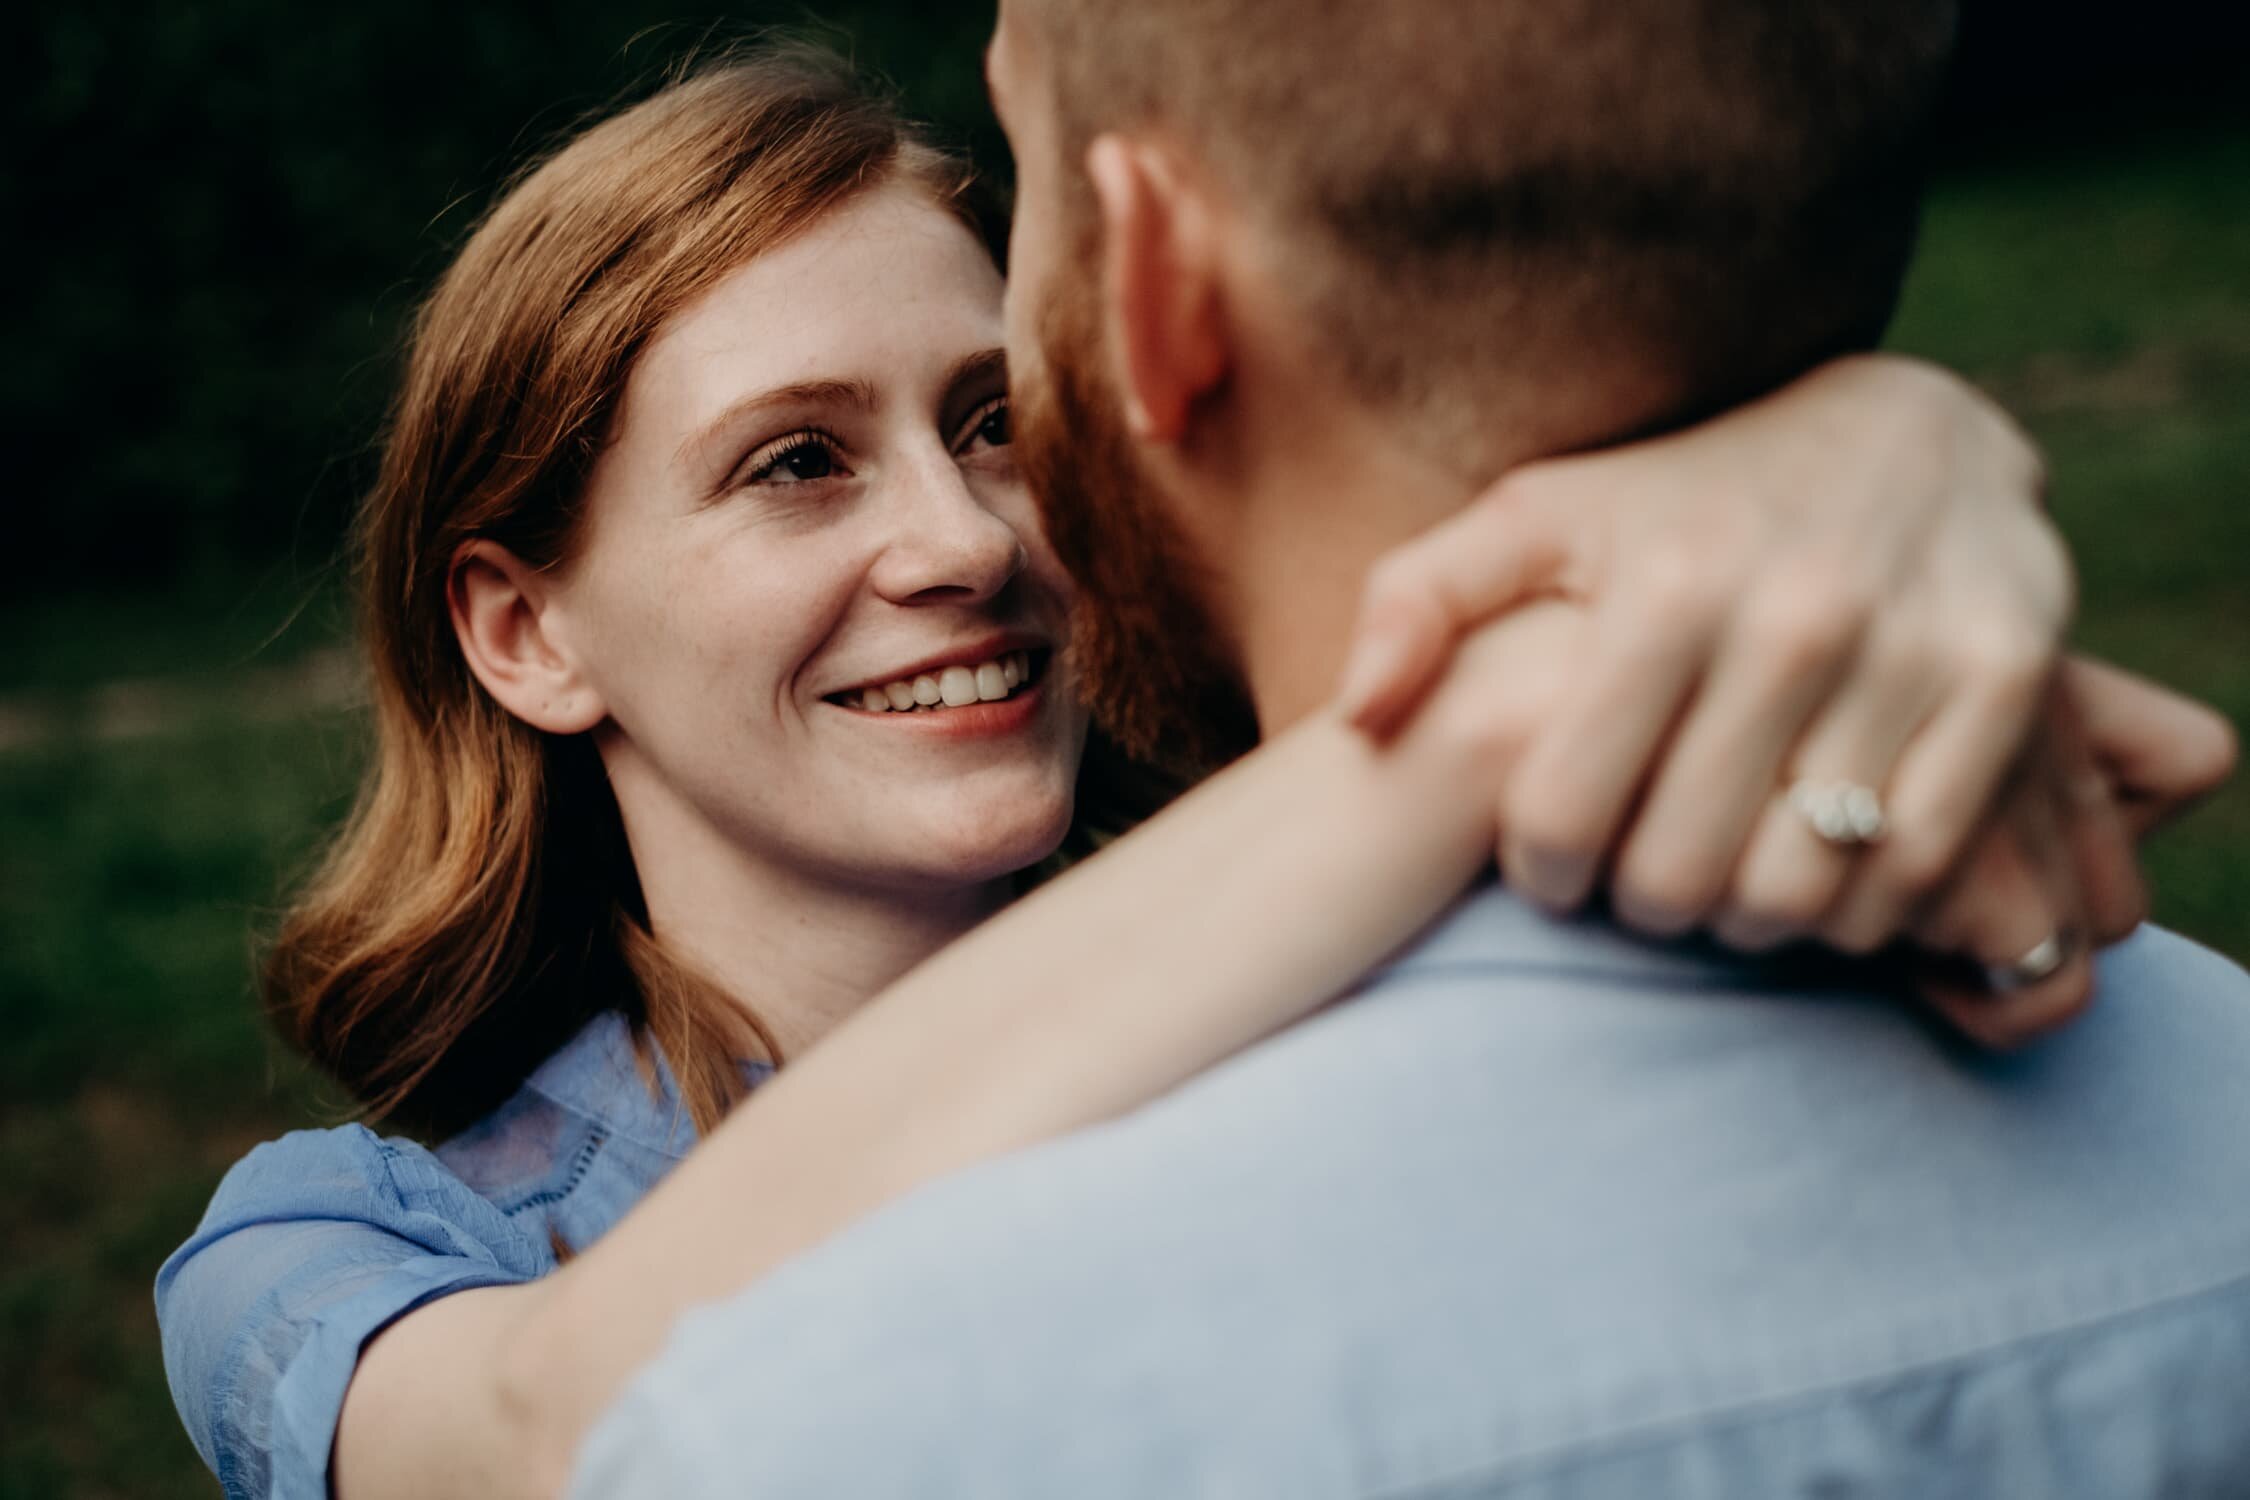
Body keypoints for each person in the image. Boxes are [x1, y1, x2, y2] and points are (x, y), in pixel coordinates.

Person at [156, 41, 2223, 1500]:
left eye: (989, 420)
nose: (964, 544)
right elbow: (558, 1445)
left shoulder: (1370, 1021)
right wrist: (1511, 688)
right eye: (797, 464)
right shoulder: (342, 1254)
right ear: (526, 630)